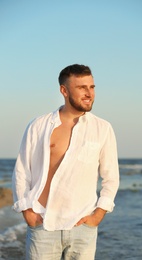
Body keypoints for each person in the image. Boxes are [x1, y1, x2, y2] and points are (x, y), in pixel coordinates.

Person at [12, 64, 119, 260]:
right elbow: (21, 171)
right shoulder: (39, 125)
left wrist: (97, 216)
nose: (89, 93)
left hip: (83, 227)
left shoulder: (102, 128)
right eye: (82, 87)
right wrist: (26, 210)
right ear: (64, 90)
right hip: (43, 223)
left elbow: (111, 177)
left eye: (92, 87)